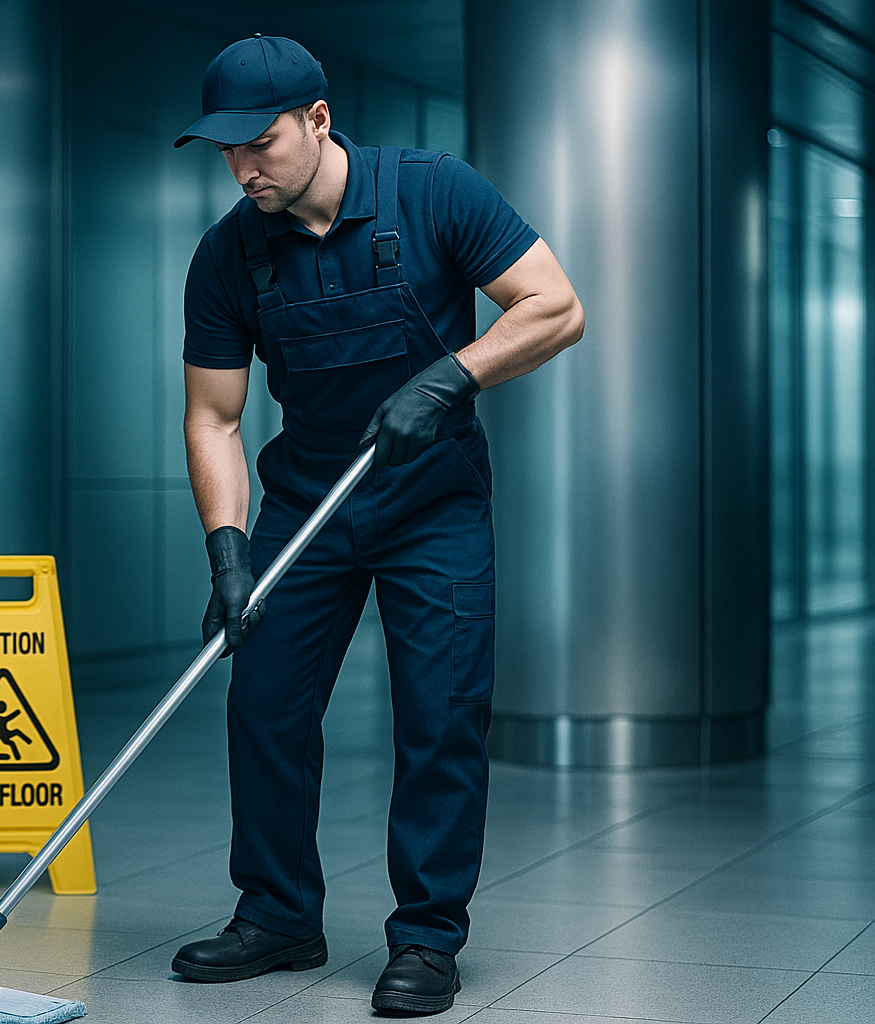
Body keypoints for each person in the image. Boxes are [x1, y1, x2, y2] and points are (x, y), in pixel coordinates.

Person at [169, 35, 583, 1016]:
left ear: (318, 119)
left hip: (431, 502)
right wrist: (227, 549)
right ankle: (277, 913)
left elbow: (554, 305)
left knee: (440, 714)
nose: (243, 169)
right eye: (225, 151)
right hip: (305, 502)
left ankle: (427, 937)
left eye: (259, 142)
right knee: (261, 700)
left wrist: (451, 377)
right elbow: (213, 417)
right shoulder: (231, 252)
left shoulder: (434, 192)